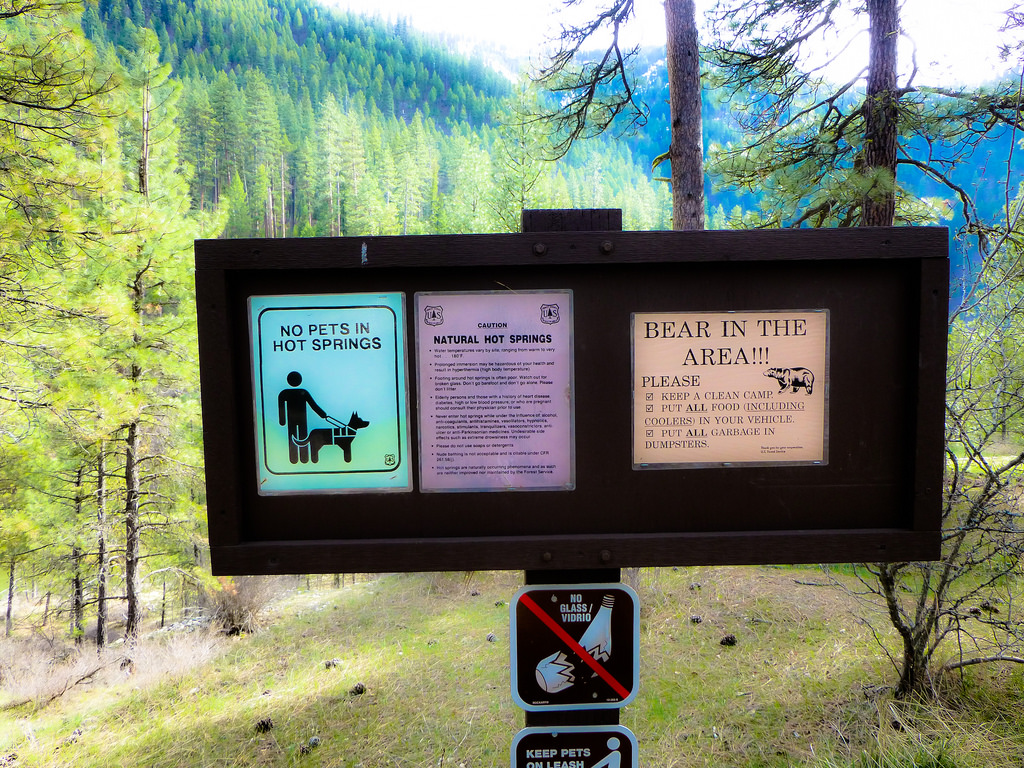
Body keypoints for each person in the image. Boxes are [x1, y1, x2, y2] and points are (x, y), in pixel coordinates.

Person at [278, 371, 328, 463]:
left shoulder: (287, 393)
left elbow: (313, 405)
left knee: (299, 437)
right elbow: (313, 405)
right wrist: (322, 414)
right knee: (299, 437)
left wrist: (282, 420)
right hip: (298, 420)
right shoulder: (301, 393)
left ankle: (299, 458)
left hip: (297, 420)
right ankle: (299, 458)